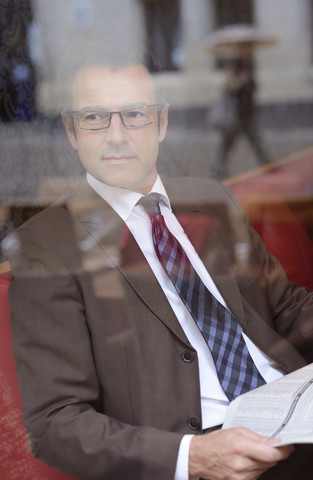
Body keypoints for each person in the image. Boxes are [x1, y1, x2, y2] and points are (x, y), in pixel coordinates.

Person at [5, 48, 313, 480]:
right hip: (201, 454)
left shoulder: (210, 198)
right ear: (71, 130)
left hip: (296, 412)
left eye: (134, 115)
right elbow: (56, 423)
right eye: (94, 118)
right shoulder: (46, 244)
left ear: (162, 122)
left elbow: (286, 306)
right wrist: (194, 456)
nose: (116, 135)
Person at [211, 45, 271, 179]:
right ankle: (218, 168)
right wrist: (241, 80)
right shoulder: (234, 65)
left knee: (254, 140)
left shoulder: (249, 65)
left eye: (250, 49)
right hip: (235, 112)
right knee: (228, 143)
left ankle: (267, 164)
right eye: (246, 49)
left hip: (247, 111)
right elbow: (229, 85)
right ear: (240, 50)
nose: (249, 51)